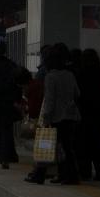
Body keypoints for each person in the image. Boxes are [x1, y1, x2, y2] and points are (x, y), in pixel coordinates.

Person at [26, 44, 81, 185]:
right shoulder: (70, 74)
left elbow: (49, 100)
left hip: (56, 117)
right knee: (67, 148)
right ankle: (69, 175)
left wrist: (45, 118)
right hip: (71, 116)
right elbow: (77, 94)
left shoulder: (50, 77)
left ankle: (39, 174)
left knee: (47, 146)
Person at [76, 48, 100, 182]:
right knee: (99, 145)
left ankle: (85, 171)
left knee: (83, 145)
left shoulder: (79, 75)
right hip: (99, 114)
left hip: (83, 114)